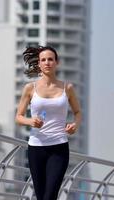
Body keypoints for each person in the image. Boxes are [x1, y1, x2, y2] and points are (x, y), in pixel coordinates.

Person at [15, 45, 82, 200]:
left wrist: (75, 125)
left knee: (50, 195)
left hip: (59, 147)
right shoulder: (30, 88)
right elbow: (18, 116)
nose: (47, 63)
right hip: (36, 147)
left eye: (50, 59)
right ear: (39, 64)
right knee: (41, 196)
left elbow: (78, 112)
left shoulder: (67, 88)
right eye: (43, 60)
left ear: (56, 62)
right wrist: (30, 121)